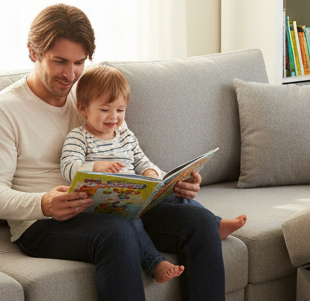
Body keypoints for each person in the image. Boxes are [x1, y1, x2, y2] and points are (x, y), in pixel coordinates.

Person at [0, 3, 269, 301]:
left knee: (198, 222)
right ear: (32, 51)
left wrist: (171, 184)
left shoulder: (89, 95)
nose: (69, 74)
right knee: (116, 235)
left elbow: (128, 153)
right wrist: (43, 203)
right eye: (59, 62)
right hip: (45, 222)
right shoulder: (3, 111)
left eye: (79, 63)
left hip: (110, 204)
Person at [59, 63, 247, 285]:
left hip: (135, 196)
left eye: (120, 110)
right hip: (104, 208)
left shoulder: (125, 136)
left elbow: (141, 159)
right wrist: (97, 167)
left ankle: (214, 224)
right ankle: (154, 263)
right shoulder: (78, 137)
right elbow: (68, 167)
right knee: (129, 224)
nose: (114, 117)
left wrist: (151, 173)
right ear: (83, 109)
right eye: (104, 110)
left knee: (175, 194)